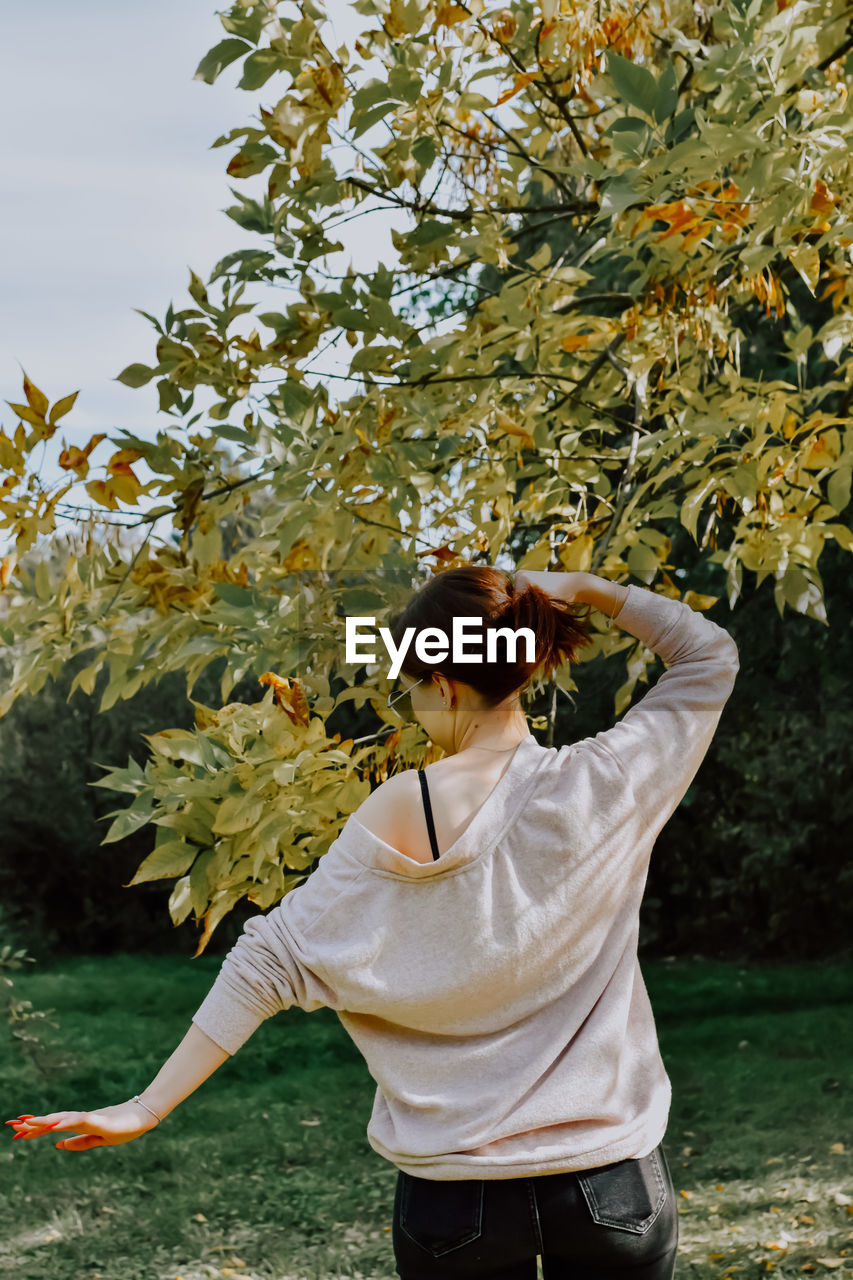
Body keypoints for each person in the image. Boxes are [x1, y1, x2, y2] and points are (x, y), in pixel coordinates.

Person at [7, 566, 740, 1280]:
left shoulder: (402, 808)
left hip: (458, 1204)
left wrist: (146, 1107)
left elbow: (269, 962)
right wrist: (584, 590)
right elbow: (708, 652)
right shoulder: (608, 780)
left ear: (445, 686)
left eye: (414, 690)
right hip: (612, 1186)